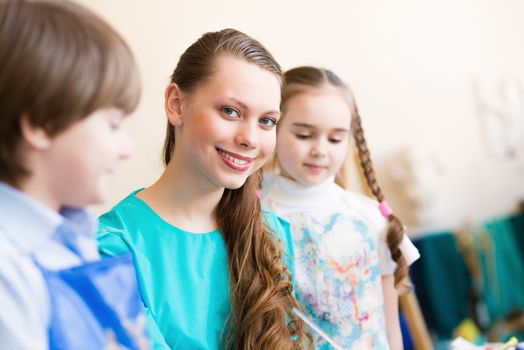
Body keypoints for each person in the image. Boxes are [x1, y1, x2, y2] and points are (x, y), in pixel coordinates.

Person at [97, 29, 311, 349]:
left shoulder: (271, 234)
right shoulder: (111, 249)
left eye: (267, 121)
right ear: (176, 104)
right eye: (230, 111)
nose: (250, 138)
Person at [0, 1, 148, 349]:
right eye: (113, 125)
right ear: (42, 124)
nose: (126, 147)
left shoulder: (74, 236)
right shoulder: (8, 270)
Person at [262, 66, 420, 349]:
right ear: (274, 126)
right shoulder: (254, 215)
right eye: (304, 135)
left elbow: (390, 327)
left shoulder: (369, 218)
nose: (320, 149)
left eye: (335, 139)